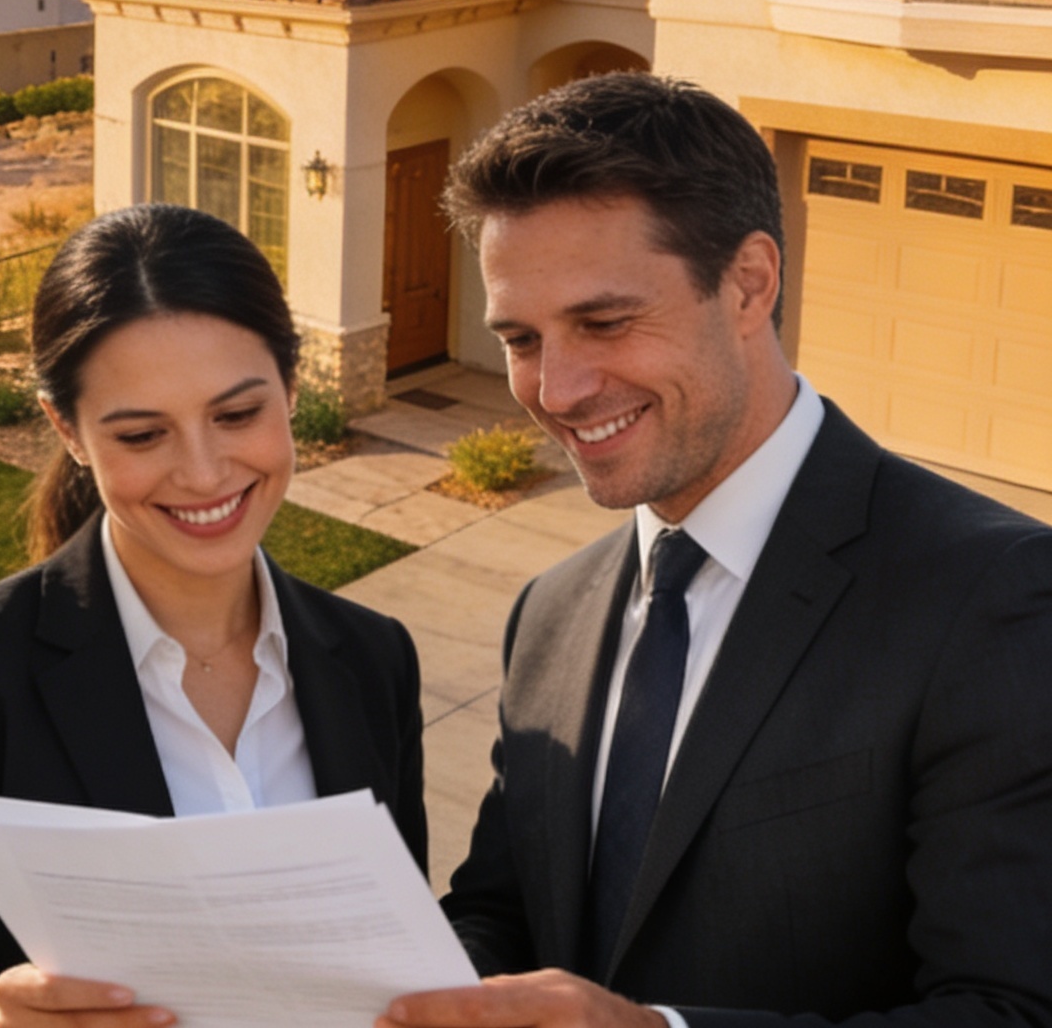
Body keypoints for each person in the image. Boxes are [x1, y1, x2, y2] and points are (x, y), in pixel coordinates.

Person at [384, 73, 1052, 1028]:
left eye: (605, 322)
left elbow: (1012, 1011)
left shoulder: (995, 598)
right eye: (522, 338)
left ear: (749, 283)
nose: (557, 389)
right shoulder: (552, 613)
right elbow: (504, 914)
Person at [0, 203, 429, 1028]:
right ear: (68, 430)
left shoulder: (375, 658)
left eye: (236, 415)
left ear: (291, 389)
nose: (203, 472)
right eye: (143, 434)